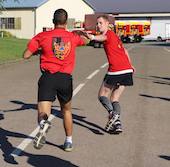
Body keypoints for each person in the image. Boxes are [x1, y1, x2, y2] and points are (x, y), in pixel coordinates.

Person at [23, 8, 87, 151]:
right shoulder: (73, 37)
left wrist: (39, 51)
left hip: (48, 78)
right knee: (67, 111)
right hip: (65, 79)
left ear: (53, 22)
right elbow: (85, 41)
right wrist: (83, 34)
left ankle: (43, 124)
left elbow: (26, 55)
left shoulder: (42, 36)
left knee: (43, 112)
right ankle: (68, 141)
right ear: (66, 22)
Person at [83, 15, 135, 134]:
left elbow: (103, 37)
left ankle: (113, 114)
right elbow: (125, 50)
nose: (98, 25)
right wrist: (130, 66)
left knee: (102, 95)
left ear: (107, 24)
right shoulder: (116, 36)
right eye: (97, 23)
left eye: (101, 23)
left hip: (116, 70)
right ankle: (118, 125)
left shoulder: (108, 34)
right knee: (114, 99)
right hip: (127, 70)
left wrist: (91, 37)